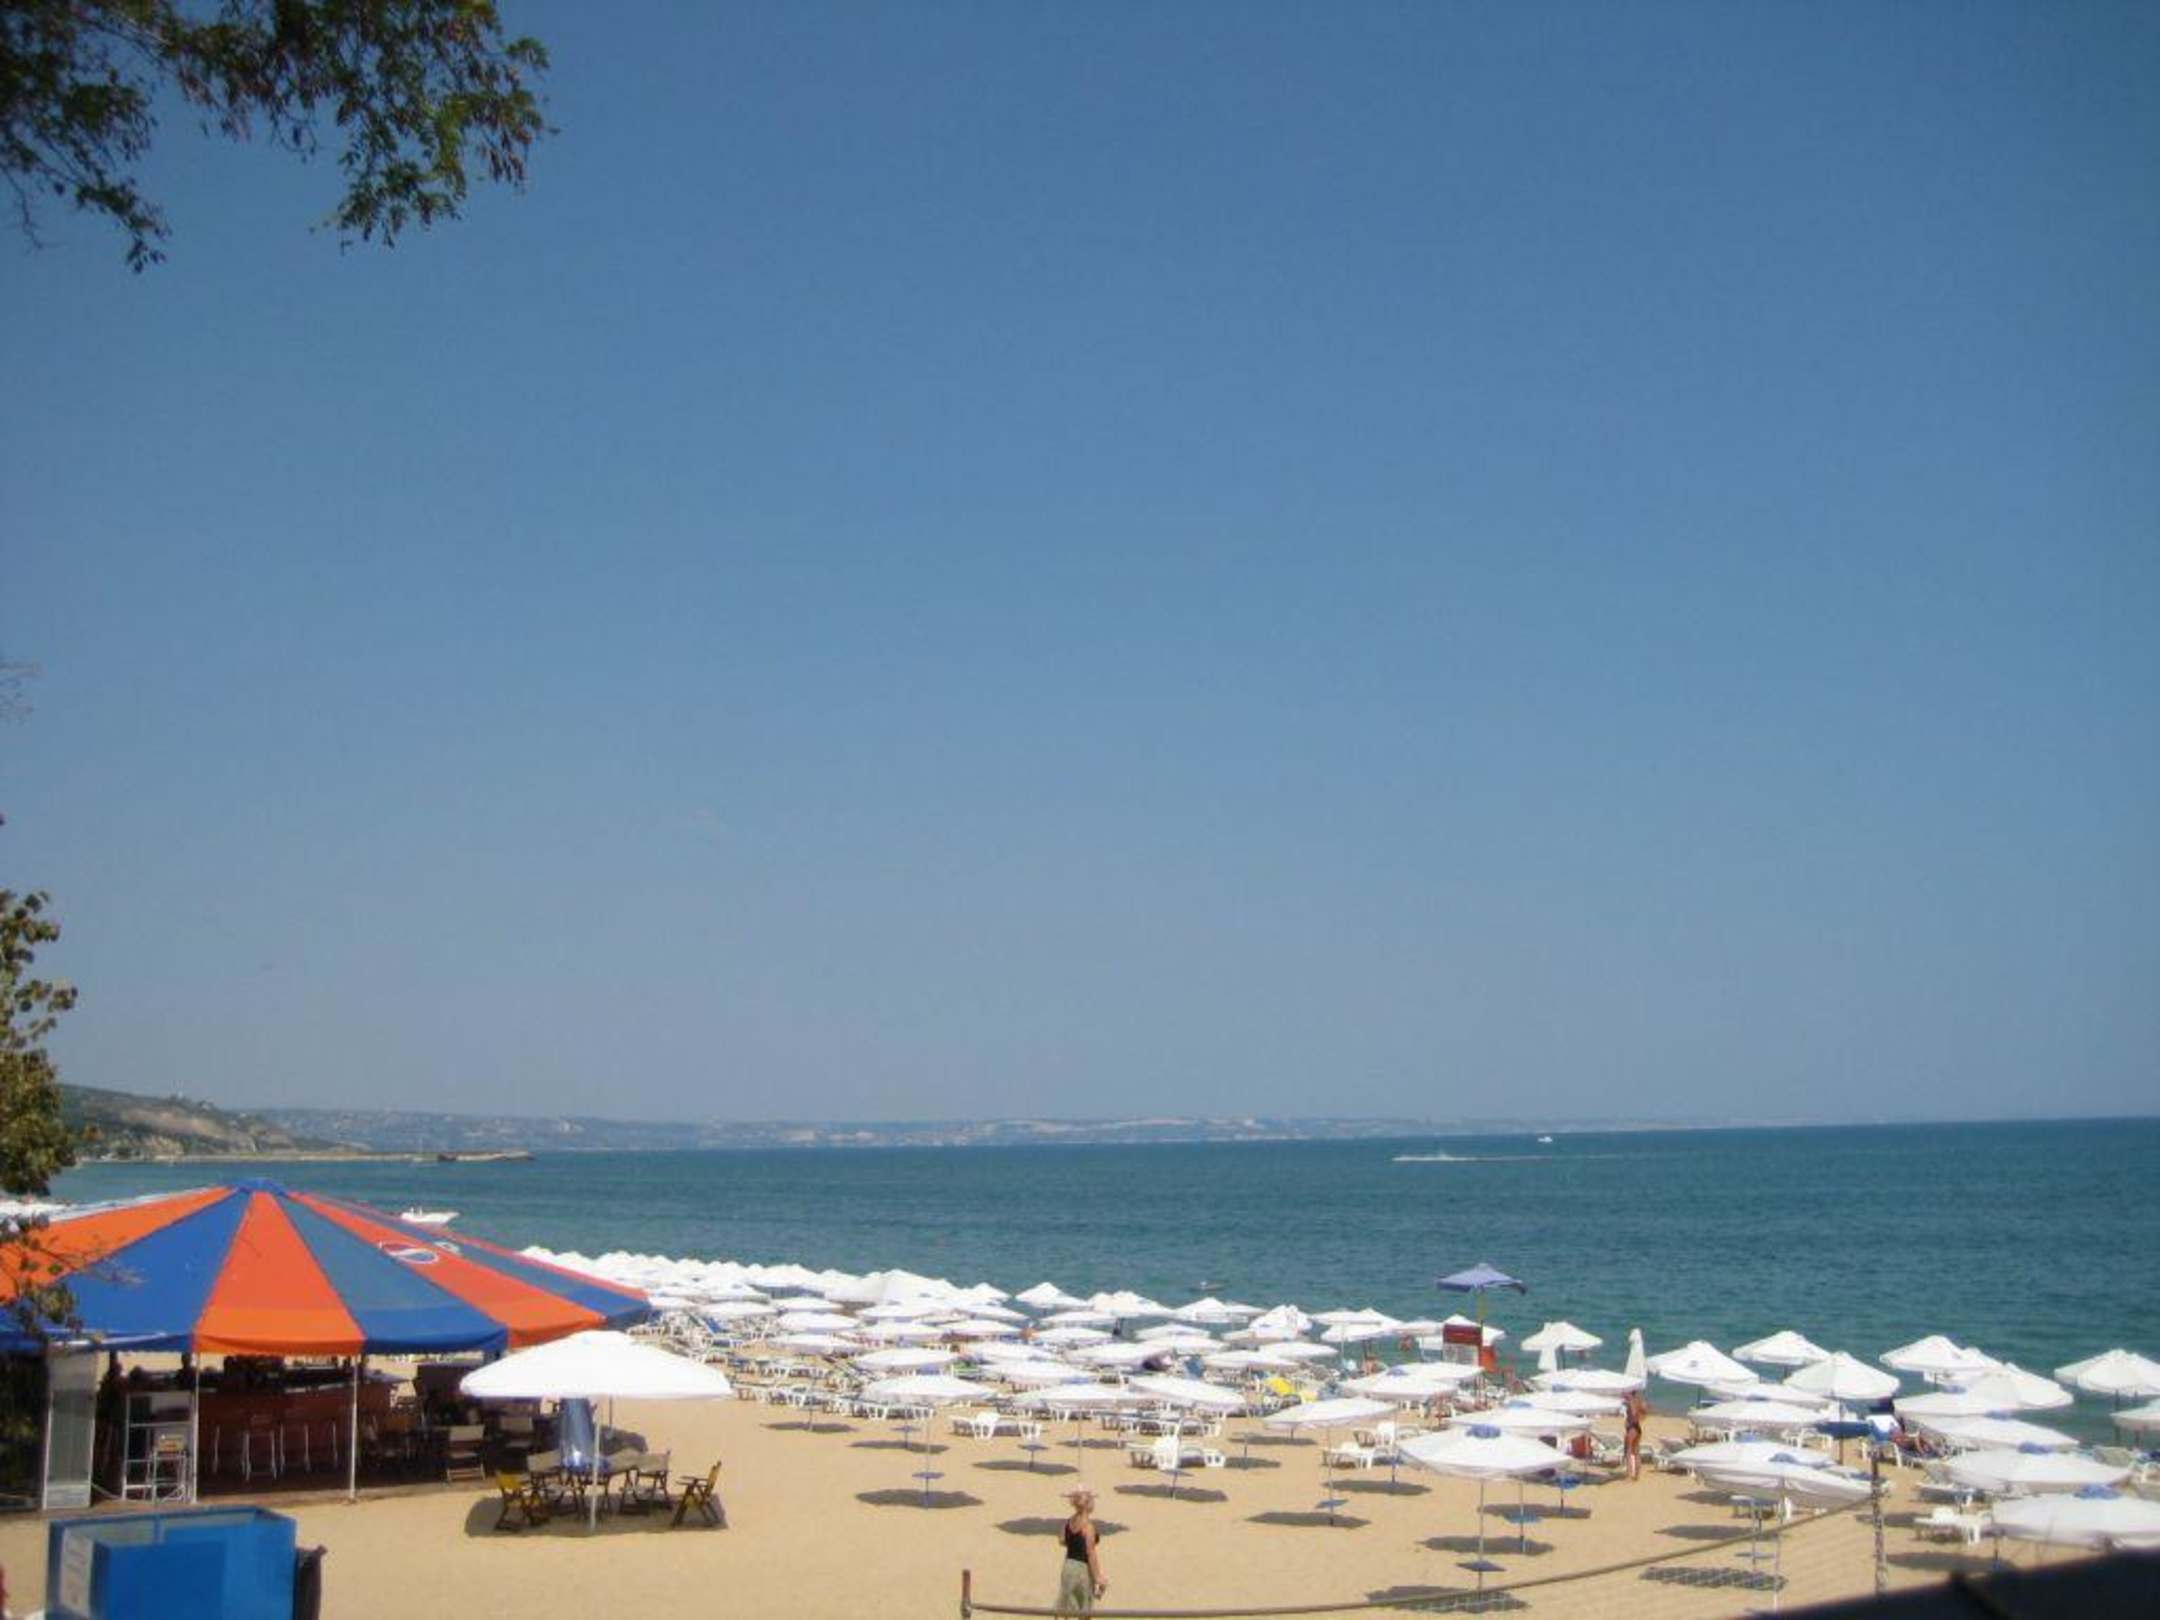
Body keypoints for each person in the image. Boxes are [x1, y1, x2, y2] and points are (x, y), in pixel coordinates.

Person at [1054, 1486, 1106, 1615]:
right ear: (1089, 1504)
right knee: (1084, 1606)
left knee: (1069, 1603)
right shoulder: (1088, 1527)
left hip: (1068, 1566)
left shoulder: (1068, 1522)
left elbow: (1062, 1540)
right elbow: (1090, 1553)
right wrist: (1098, 1577)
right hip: (1081, 1568)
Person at [1623, 1389, 1647, 1481]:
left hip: (1632, 1428)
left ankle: (1629, 1475)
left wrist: (1630, 1421)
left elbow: (1633, 1413)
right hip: (1637, 1428)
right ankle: (1637, 1475)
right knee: (1636, 1452)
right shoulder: (1639, 1400)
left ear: (1630, 1393)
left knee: (1628, 1452)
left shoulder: (1631, 1402)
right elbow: (1643, 1413)